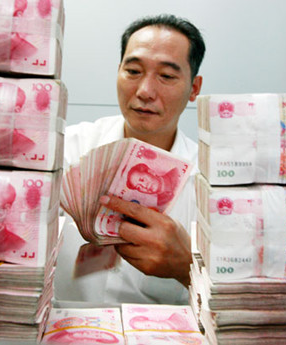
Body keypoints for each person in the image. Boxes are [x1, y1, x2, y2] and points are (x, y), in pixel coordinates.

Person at [54, 14, 204, 306]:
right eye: (133, 71)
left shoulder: (210, 183)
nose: (145, 91)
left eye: (167, 76)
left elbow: (233, 302)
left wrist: (186, 267)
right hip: (68, 328)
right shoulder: (67, 150)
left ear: (194, 89)